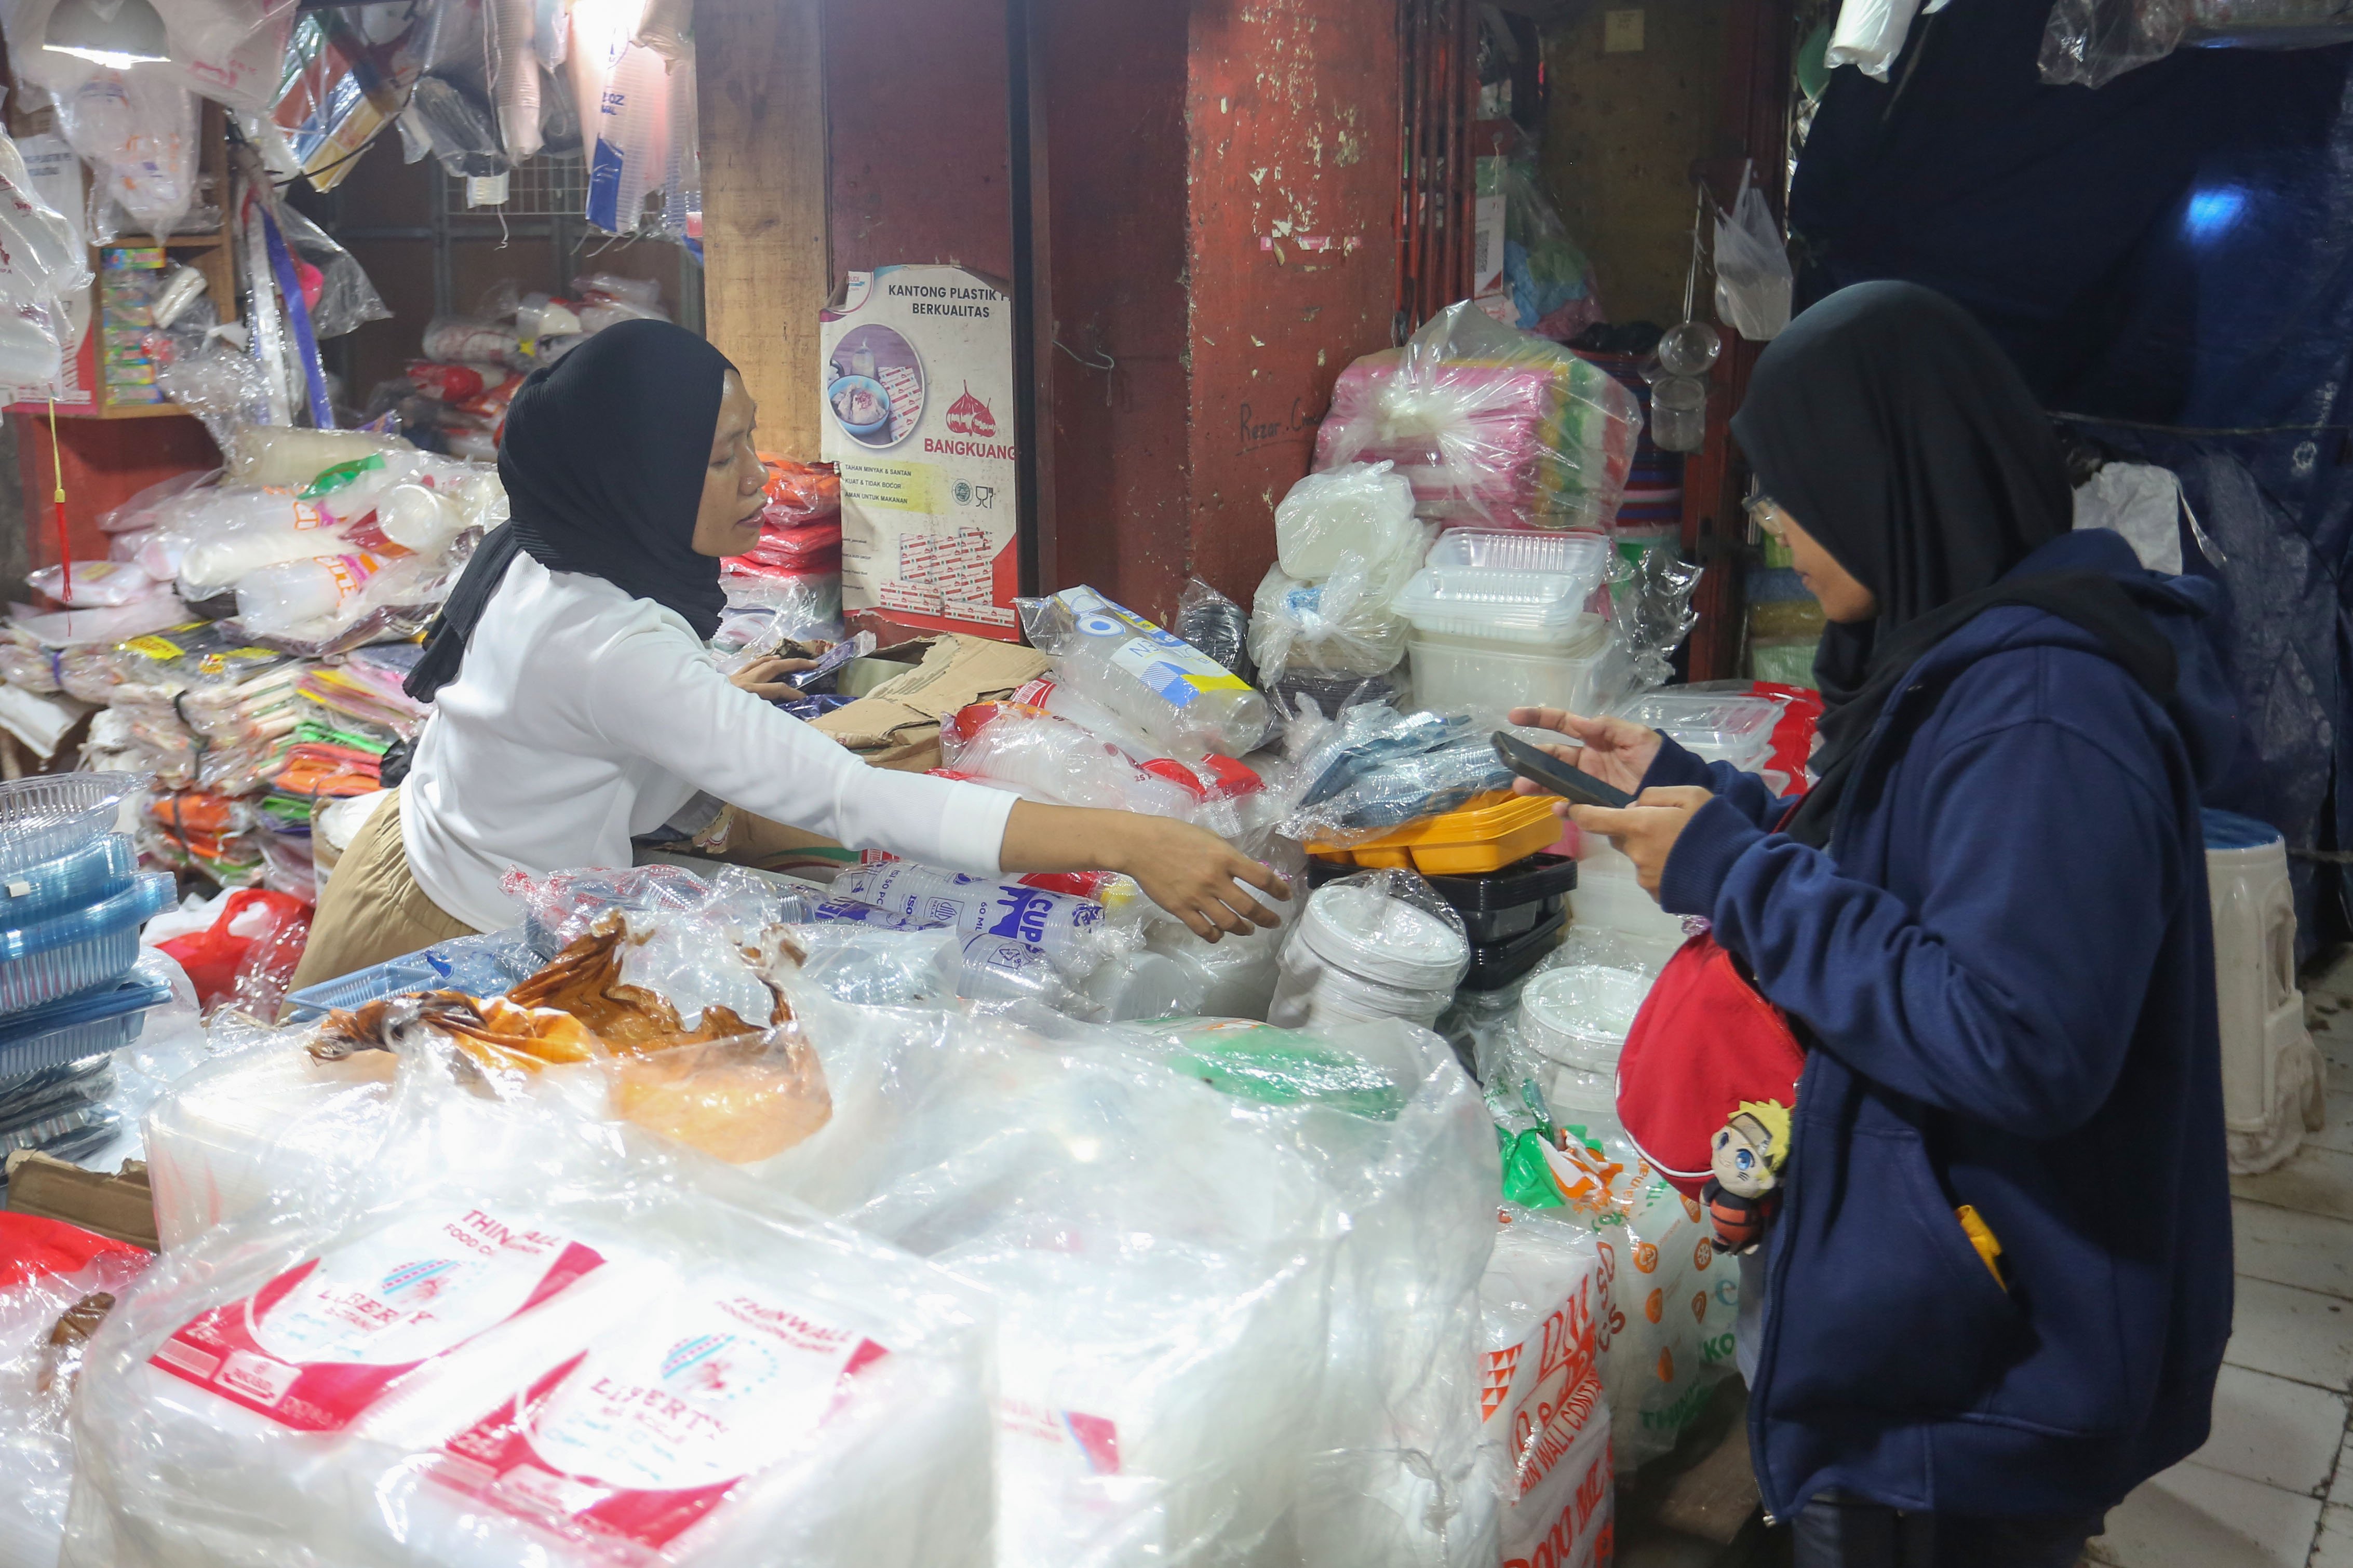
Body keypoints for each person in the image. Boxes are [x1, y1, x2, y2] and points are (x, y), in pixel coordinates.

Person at [1512, 282, 2238, 1566]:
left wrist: (1733, 872)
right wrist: (1701, 793)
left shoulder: (2043, 713)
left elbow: (2015, 1037)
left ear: (1885, 478)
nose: (1777, 527)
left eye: (1793, 489)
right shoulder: (1963, 660)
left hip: (1976, 1376)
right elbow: (1910, 875)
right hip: (1930, 1322)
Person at [291, 320, 1286, 988]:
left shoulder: (557, 539)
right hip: (450, 929)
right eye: (720, 457)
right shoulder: (613, 644)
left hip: (427, 856)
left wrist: (703, 699)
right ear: (638, 478)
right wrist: (1126, 840)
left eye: (747, 441)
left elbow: (551, 708)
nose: (759, 479)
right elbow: (852, 800)